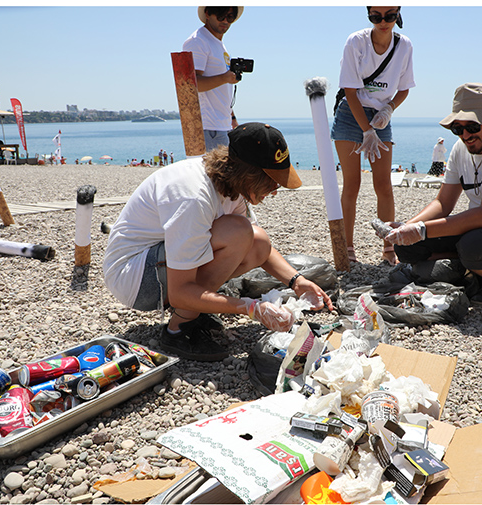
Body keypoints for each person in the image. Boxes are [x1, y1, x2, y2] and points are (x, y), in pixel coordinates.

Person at [103, 123, 334, 361]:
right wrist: (250, 307)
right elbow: (180, 291)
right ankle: (178, 329)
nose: (275, 190)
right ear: (249, 173)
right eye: (272, 181)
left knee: (257, 240)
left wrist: (297, 281)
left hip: (156, 263)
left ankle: (195, 309)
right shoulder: (194, 196)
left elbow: (260, 249)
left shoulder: (230, 182)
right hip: (134, 278)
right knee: (239, 231)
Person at [380, 83, 482, 307]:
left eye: (472, 126)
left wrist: (421, 230)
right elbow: (443, 202)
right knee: (407, 246)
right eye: (458, 129)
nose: (466, 135)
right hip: (477, 229)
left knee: (475, 246)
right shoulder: (460, 150)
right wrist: (405, 229)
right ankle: (467, 266)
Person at [331, 6, 415, 266]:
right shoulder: (356, 41)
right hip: (350, 112)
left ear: (398, 14)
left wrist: (388, 110)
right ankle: (347, 247)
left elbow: (404, 89)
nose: (383, 22)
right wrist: (365, 129)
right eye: (375, 16)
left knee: (384, 186)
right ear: (368, 16)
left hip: (380, 115)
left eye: (389, 15)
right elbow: (350, 90)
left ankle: (389, 248)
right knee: (352, 184)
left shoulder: (404, 46)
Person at [183, 6, 243, 152]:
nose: (226, 21)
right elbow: (190, 85)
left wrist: (232, 119)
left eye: (230, 17)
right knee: (215, 174)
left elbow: (221, 90)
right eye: (221, 15)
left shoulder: (217, 44)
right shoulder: (198, 41)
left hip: (220, 126)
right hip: (208, 128)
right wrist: (225, 78)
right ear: (208, 13)